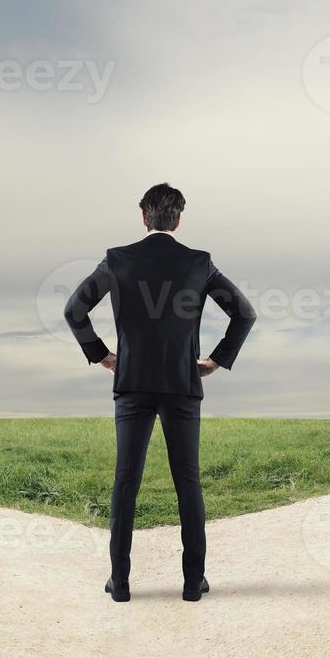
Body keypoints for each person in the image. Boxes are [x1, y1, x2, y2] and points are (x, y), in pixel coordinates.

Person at [64, 183, 256, 602]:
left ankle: (120, 584)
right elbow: (244, 312)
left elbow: (73, 309)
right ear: (179, 219)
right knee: (188, 481)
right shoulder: (199, 263)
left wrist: (102, 355)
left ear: (144, 218)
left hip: (131, 383)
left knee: (125, 481)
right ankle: (192, 584)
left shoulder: (116, 260)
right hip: (183, 384)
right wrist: (216, 361)